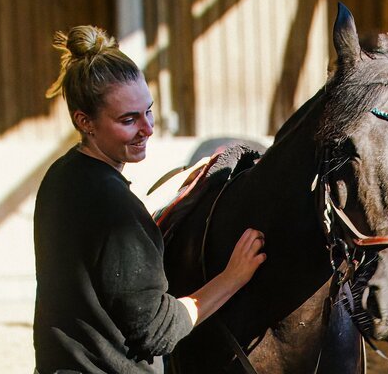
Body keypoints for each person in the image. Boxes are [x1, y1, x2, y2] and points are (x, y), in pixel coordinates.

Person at [33, 25, 267, 373]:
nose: (147, 128)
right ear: (85, 121)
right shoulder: (116, 209)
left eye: (149, 111)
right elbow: (156, 332)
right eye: (128, 119)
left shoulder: (60, 177)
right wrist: (233, 277)